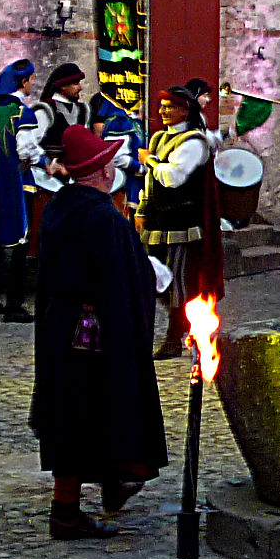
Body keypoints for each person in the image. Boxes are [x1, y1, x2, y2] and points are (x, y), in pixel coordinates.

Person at [30, 124, 168, 539]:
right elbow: (121, 279)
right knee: (89, 410)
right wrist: (150, 275)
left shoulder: (59, 207)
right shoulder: (105, 218)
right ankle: (67, 512)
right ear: (105, 171)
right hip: (93, 332)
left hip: (59, 324)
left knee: (78, 411)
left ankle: (110, 482)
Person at [136, 86, 224, 359]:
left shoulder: (194, 142)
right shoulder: (159, 137)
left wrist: (149, 160)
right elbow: (151, 181)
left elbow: (173, 177)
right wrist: (142, 209)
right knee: (154, 278)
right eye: (162, 106)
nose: (163, 111)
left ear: (185, 111)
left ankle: (178, 337)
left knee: (179, 283)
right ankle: (167, 332)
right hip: (158, 219)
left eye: (170, 107)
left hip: (183, 222)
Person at [0, 59, 44, 322]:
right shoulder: (23, 113)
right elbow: (26, 152)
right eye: (31, 79)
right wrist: (43, 161)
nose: (33, 83)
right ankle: (14, 305)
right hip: (15, 185)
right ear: (22, 82)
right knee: (19, 242)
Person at [94, 94, 147, 220]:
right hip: (127, 184)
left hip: (141, 184)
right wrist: (142, 168)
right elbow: (117, 158)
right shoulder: (119, 121)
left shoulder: (137, 120)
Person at [33, 62, 90, 160]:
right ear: (62, 86)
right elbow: (31, 144)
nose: (80, 88)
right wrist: (47, 163)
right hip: (49, 168)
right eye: (76, 84)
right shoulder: (46, 111)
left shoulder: (83, 110)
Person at [185, 78, 224, 153]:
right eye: (204, 96)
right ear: (195, 96)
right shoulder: (185, 117)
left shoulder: (200, 116)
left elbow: (206, 136)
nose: (208, 99)